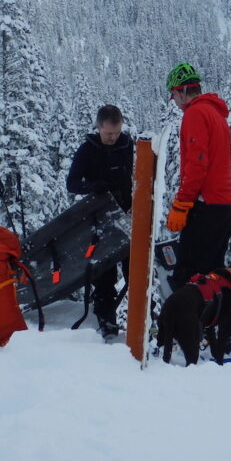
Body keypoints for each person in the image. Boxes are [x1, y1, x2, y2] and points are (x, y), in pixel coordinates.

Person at [164, 62, 231, 289]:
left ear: (182, 91)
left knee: (189, 276)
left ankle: (184, 324)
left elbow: (197, 164)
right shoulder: (215, 114)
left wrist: (182, 203)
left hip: (207, 206)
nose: (174, 102)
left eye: (173, 95)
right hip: (224, 206)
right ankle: (210, 323)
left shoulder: (195, 114)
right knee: (211, 275)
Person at [66, 104, 134, 337]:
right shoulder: (88, 149)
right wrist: (93, 187)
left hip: (127, 217)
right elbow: (72, 183)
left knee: (136, 272)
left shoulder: (128, 145)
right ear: (98, 128)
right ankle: (107, 325)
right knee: (105, 277)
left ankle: (145, 323)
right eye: (108, 134)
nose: (113, 138)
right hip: (99, 221)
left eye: (116, 132)